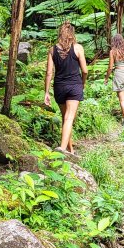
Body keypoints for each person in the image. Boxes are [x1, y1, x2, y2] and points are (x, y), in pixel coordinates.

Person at [44, 22, 88, 154]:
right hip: (74, 86)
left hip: (59, 87)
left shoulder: (52, 50)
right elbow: (85, 71)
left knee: (65, 118)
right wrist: (82, 83)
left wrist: (46, 92)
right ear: (72, 34)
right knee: (69, 118)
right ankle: (62, 148)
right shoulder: (78, 48)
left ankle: (70, 150)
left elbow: (49, 73)